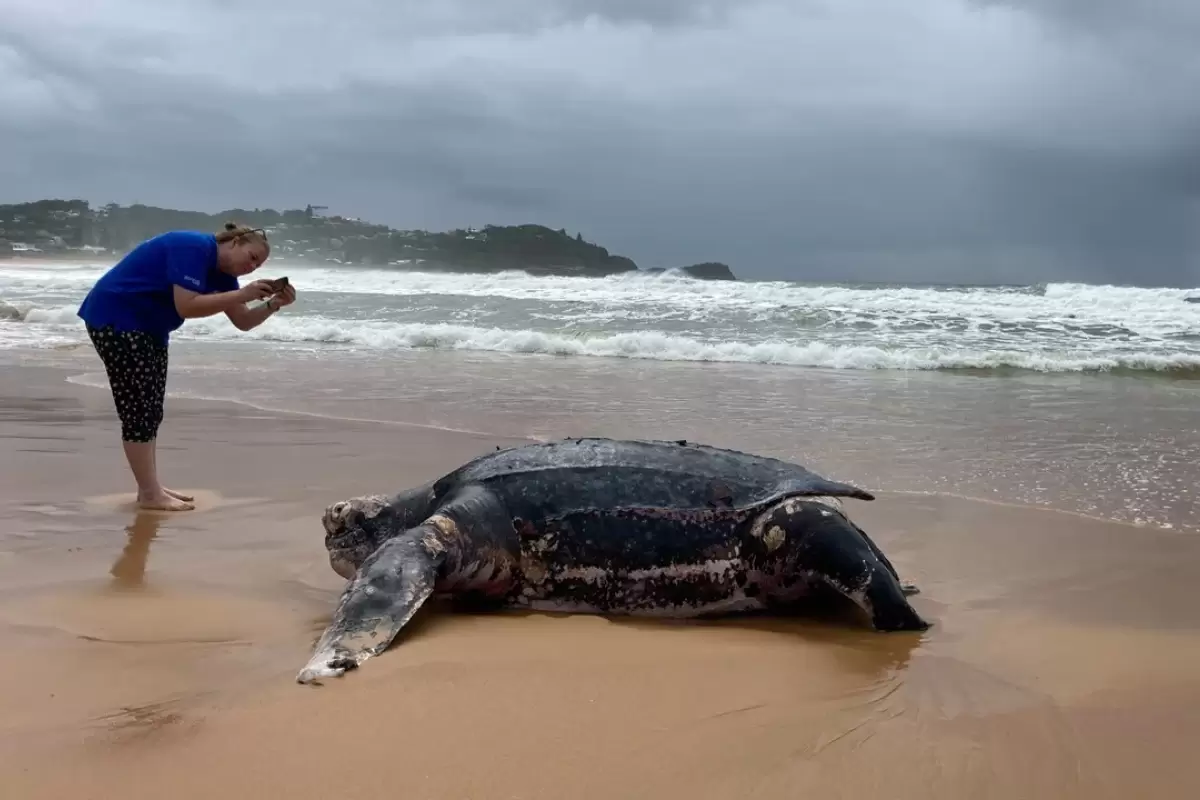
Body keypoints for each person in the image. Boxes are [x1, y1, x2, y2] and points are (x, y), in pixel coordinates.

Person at [76, 222, 296, 512]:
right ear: (236, 242)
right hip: (118, 318)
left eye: (259, 265)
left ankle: (149, 488)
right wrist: (243, 294)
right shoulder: (192, 247)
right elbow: (187, 306)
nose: (252, 267)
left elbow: (242, 322)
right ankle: (150, 493)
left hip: (149, 328)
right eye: (252, 257)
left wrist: (273, 305)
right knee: (138, 412)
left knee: (151, 410)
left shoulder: (224, 276)